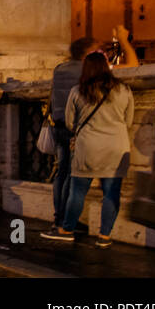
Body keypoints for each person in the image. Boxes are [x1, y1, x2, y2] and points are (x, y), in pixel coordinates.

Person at [42, 51, 135, 245]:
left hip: (87, 148)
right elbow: (129, 121)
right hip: (116, 148)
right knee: (111, 193)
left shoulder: (77, 91)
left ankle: (66, 229)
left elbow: (69, 123)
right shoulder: (124, 90)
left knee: (77, 192)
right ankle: (104, 236)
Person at [45, 36, 98, 234]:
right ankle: (66, 222)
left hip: (58, 125)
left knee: (61, 173)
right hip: (76, 127)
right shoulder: (88, 71)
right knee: (72, 175)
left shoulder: (59, 69)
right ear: (88, 52)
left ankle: (58, 219)